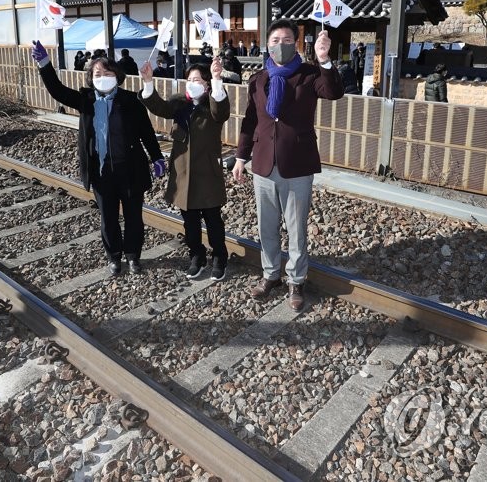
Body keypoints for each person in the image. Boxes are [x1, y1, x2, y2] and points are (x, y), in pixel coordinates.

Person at [233, 19, 344, 311]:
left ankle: (296, 280)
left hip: (298, 162)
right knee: (266, 226)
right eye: (274, 40)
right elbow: (250, 120)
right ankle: (271, 275)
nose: (279, 45)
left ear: (295, 43)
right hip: (263, 163)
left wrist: (324, 60)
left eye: (285, 40)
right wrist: (241, 157)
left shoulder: (309, 73)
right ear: (266, 44)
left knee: (296, 229)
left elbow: (333, 92)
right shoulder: (258, 78)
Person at [30, 41, 165, 276]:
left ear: (117, 75)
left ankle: (133, 256)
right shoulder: (86, 100)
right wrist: (45, 64)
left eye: (107, 72)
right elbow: (57, 90)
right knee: (108, 218)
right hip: (101, 172)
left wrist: (156, 157)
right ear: (91, 78)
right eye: (97, 73)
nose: (102, 77)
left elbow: (146, 132)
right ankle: (114, 257)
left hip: (130, 170)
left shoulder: (131, 100)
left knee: (134, 217)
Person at [139, 57, 231, 280]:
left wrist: (218, 80)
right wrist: (148, 82)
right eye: (189, 79)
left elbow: (222, 112)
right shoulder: (180, 103)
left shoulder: (213, 103)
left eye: (198, 79)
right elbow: (158, 106)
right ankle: (196, 256)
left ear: (207, 84)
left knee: (213, 220)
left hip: (207, 174)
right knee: (190, 222)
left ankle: (219, 257)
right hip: (183, 175)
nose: (192, 83)